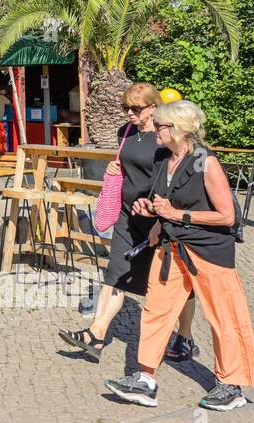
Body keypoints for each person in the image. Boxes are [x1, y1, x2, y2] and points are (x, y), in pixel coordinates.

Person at [105, 100, 254, 411]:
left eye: (159, 126)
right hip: (170, 247)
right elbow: (160, 199)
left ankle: (231, 386)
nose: (154, 131)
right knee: (155, 311)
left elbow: (227, 216)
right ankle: (145, 380)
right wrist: (149, 210)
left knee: (224, 317)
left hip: (208, 250)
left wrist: (178, 215)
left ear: (177, 130)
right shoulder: (165, 158)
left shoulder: (206, 162)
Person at [59, 83, 198, 362]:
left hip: (160, 217)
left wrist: (162, 209)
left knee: (175, 281)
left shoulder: (164, 136)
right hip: (127, 215)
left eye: (136, 109)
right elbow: (128, 164)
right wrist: (116, 167)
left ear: (154, 107)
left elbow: (176, 173)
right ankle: (96, 334)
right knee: (115, 273)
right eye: (126, 108)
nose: (129, 114)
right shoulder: (125, 132)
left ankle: (184, 336)